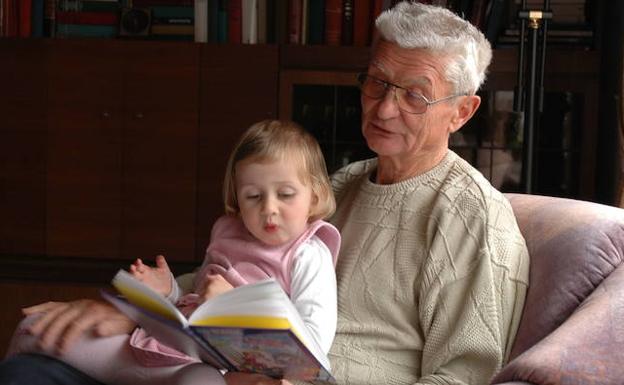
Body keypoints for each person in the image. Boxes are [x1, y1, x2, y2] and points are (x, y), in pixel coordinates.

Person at [0, 3, 530, 385]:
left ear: (462, 112)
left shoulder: (472, 218)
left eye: (414, 95)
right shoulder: (339, 185)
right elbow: (232, 272)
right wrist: (136, 309)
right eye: (377, 83)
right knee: (35, 362)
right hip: (233, 363)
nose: (385, 108)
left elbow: (465, 378)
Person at [5, 120, 340, 385]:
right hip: (162, 350)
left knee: (199, 382)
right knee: (33, 327)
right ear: (237, 197)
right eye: (253, 196)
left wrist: (238, 303)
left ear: (314, 196)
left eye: (285, 194)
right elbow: (193, 302)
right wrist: (168, 290)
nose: (269, 209)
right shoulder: (228, 232)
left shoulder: (309, 254)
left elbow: (312, 348)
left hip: (218, 371)